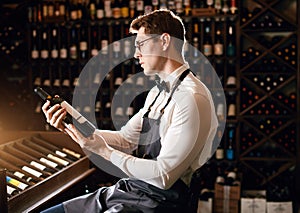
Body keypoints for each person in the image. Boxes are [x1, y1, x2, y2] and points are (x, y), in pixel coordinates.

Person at [41, 9, 218, 213]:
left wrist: (104, 152)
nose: (136, 54)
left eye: (140, 44)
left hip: (160, 204)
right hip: (132, 190)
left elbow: (163, 176)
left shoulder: (192, 98)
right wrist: (70, 123)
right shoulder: (157, 92)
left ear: (164, 41)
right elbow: (126, 140)